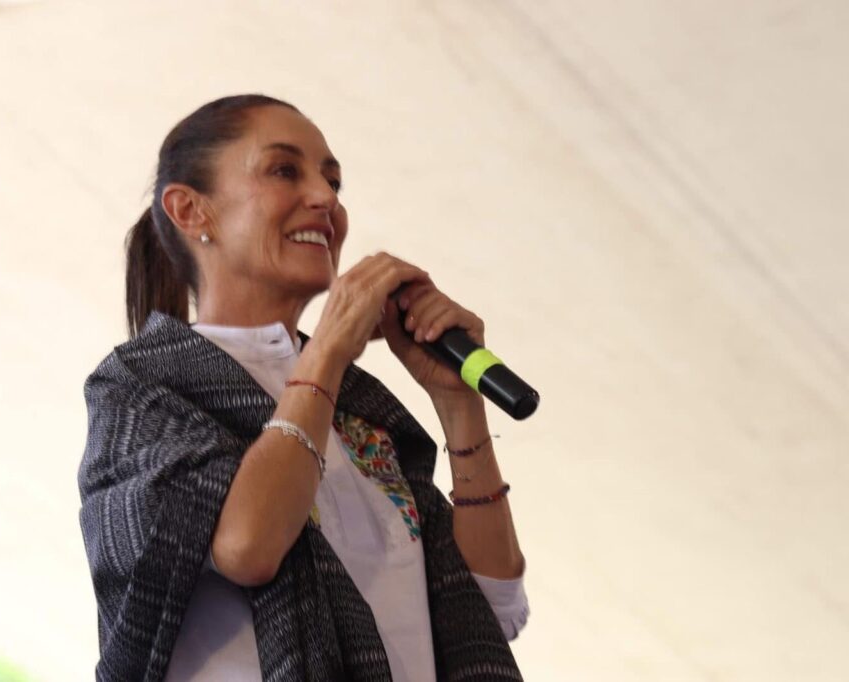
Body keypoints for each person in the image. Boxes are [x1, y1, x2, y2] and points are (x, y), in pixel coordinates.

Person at [78, 94, 529, 682]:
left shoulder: (362, 410)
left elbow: (491, 606)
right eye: (284, 171)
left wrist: (457, 403)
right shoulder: (140, 388)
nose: (325, 199)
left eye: (333, 181)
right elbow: (247, 548)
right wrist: (328, 351)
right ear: (191, 211)